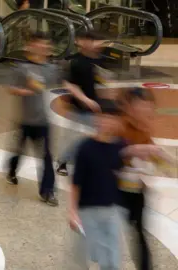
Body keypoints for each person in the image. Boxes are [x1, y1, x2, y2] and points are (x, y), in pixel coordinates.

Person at [69, 99, 166, 270]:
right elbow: (76, 182)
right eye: (103, 118)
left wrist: (152, 154)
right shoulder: (86, 147)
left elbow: (131, 153)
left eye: (111, 118)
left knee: (111, 260)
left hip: (112, 209)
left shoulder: (119, 144)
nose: (107, 122)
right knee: (89, 255)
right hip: (89, 210)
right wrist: (72, 212)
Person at [117, 87, 172, 270]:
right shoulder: (120, 126)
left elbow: (152, 152)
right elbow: (109, 156)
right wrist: (134, 151)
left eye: (150, 108)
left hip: (136, 191)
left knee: (139, 233)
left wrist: (164, 161)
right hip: (114, 191)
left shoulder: (143, 128)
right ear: (130, 107)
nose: (148, 112)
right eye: (143, 107)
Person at [6, 32, 58, 206]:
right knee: (19, 151)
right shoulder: (22, 68)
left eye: (46, 46)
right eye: (40, 45)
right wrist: (26, 90)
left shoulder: (50, 68)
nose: (44, 48)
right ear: (31, 46)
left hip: (42, 120)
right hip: (25, 120)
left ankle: (47, 191)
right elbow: (11, 89)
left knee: (46, 157)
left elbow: (61, 81)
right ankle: (11, 170)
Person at [56, 31, 106, 176]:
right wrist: (86, 100)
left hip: (94, 107)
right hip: (78, 108)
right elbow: (70, 85)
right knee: (73, 137)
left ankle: (90, 164)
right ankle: (63, 162)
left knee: (96, 137)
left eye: (91, 40)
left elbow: (99, 81)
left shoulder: (97, 60)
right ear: (79, 42)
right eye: (86, 40)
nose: (89, 43)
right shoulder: (75, 61)